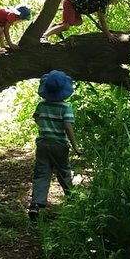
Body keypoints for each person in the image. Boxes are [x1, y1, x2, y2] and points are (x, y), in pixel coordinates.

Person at [28, 70, 80, 221]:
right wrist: (75, 146)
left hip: (43, 143)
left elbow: (36, 118)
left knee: (41, 173)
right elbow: (68, 127)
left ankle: (35, 205)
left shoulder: (41, 105)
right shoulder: (66, 107)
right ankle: (72, 200)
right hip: (59, 145)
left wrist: (46, 126)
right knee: (63, 171)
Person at [42, 0, 128, 42]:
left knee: (79, 22)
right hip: (71, 2)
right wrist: (109, 35)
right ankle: (44, 36)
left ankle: (57, 27)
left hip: (76, 7)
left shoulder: (101, 0)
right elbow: (102, 20)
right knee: (66, 25)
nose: (115, 1)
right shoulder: (102, 1)